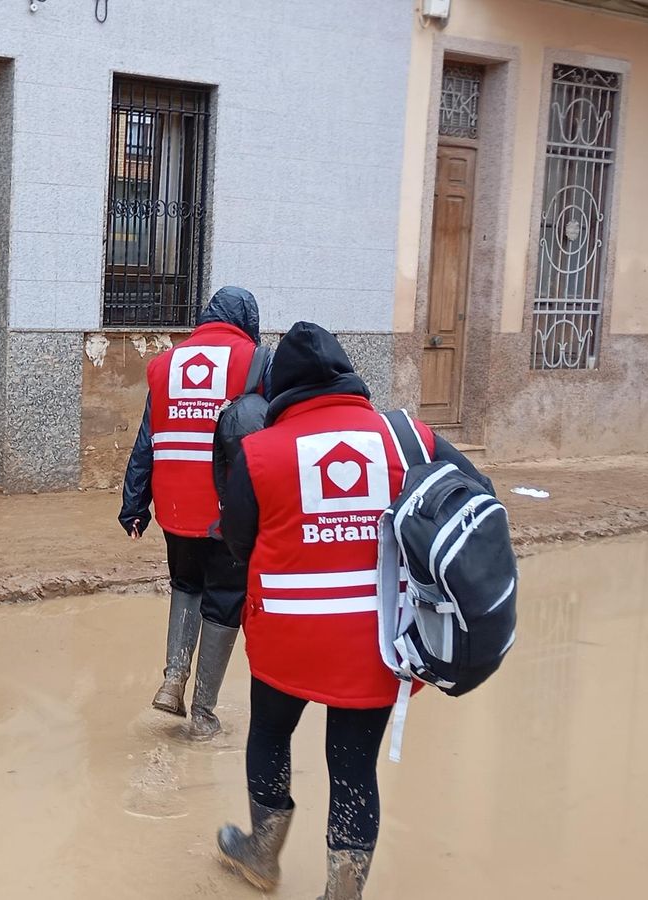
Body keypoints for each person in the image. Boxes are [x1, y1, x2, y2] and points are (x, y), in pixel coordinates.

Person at [214, 322, 491, 900]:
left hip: (287, 638)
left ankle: (261, 855)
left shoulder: (260, 452)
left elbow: (239, 543)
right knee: (353, 768)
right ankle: (344, 893)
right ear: (346, 375)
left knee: (269, 734)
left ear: (280, 387)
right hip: (380, 642)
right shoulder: (406, 438)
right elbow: (477, 493)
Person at [119, 286, 267, 738]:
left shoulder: (164, 364)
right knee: (224, 599)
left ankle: (172, 679)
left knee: (186, 584)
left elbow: (147, 437)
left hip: (175, 504)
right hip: (228, 507)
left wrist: (134, 504)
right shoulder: (257, 361)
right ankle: (203, 712)